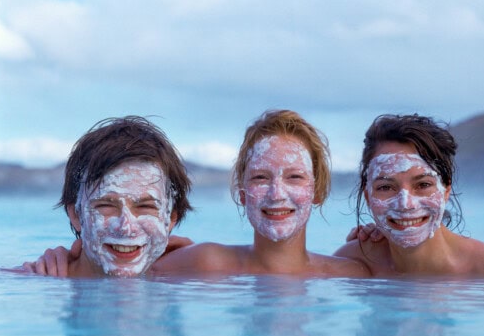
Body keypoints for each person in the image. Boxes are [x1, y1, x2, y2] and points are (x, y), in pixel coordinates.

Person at [151, 109, 370, 278]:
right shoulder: (204, 263)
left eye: (294, 177)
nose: (276, 194)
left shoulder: (349, 275)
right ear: (243, 193)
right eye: (261, 178)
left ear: (317, 191)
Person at [334, 113, 484, 277]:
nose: (405, 204)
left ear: (446, 191)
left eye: (423, 184)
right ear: (369, 197)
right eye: (386, 187)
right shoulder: (353, 265)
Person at [23, 116, 193, 278]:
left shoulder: (203, 271)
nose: (126, 227)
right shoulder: (33, 281)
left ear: (171, 218)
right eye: (106, 206)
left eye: (145, 207)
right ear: (76, 214)